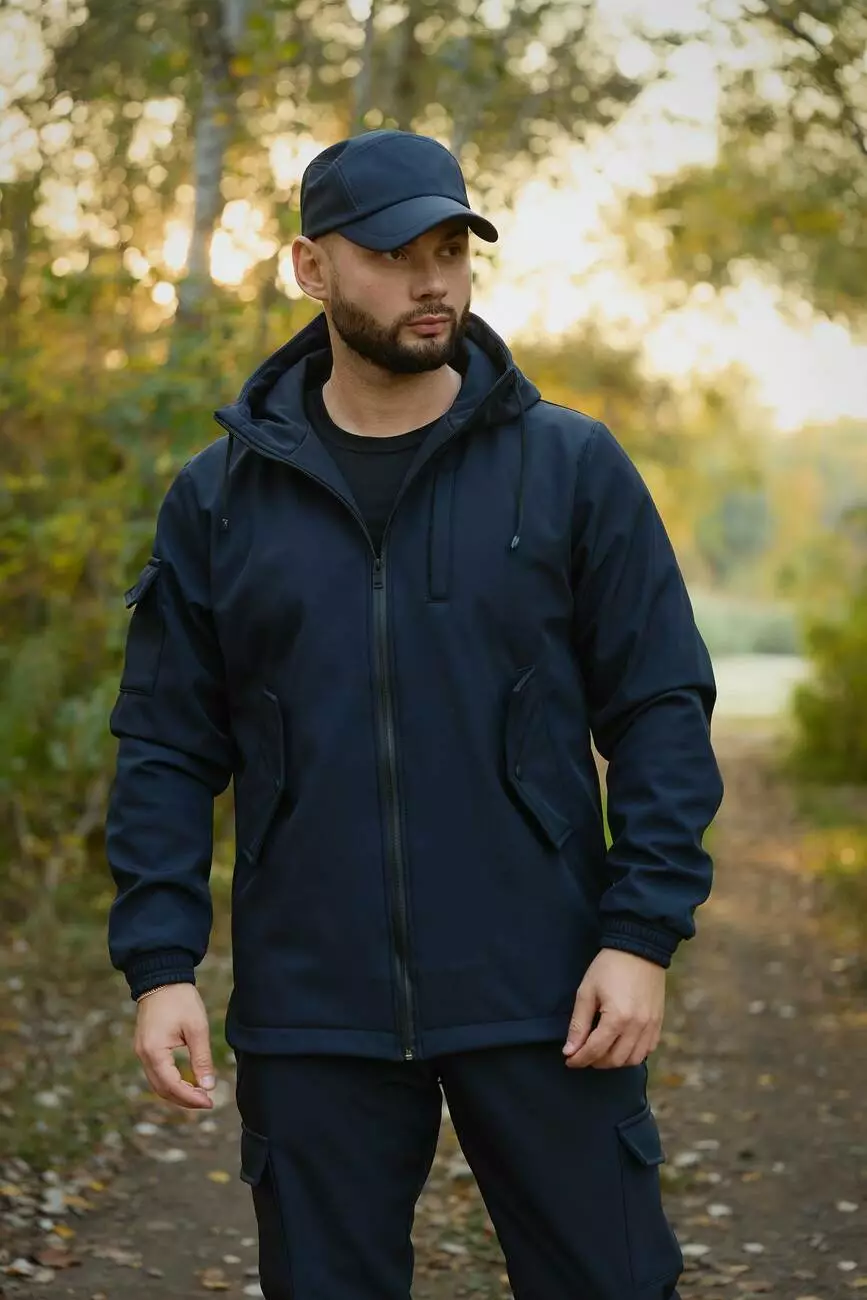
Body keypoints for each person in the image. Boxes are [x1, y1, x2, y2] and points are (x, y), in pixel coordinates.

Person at [105, 128, 723, 1300]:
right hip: (313, 1005)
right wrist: (160, 961)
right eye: (392, 254)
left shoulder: (569, 466)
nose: (430, 280)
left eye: (450, 250)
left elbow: (659, 706)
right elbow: (168, 746)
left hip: (546, 988)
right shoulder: (221, 499)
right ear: (310, 267)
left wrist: (641, 934)